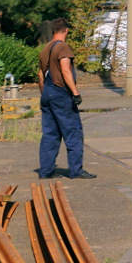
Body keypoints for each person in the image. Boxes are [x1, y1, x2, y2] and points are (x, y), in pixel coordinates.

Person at [37, 18, 95, 180]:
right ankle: (76, 171)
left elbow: (40, 75)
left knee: (50, 134)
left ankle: (46, 172)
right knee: (73, 132)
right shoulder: (63, 47)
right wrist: (75, 93)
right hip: (61, 94)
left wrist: (44, 94)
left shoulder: (45, 49)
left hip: (47, 94)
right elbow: (65, 71)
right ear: (66, 30)